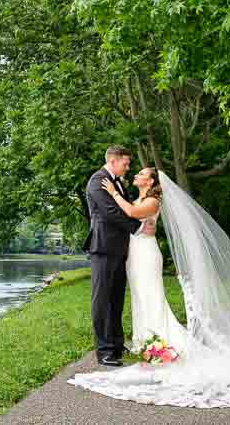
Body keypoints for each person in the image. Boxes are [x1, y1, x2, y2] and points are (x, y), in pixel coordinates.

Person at [69, 168, 230, 408]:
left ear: (151, 181)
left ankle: (162, 344)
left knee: (152, 298)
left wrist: (113, 194)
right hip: (135, 254)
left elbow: (132, 212)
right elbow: (128, 214)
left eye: (141, 174)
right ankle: (148, 342)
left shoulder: (153, 201)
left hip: (145, 255)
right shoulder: (140, 196)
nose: (135, 174)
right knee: (141, 299)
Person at [82, 146, 157, 367]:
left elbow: (123, 209)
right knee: (102, 300)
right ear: (113, 161)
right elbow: (110, 212)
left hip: (119, 248)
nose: (128, 166)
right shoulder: (98, 181)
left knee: (115, 298)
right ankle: (104, 351)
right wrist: (139, 228)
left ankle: (115, 343)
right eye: (125, 162)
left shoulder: (117, 182)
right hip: (103, 246)